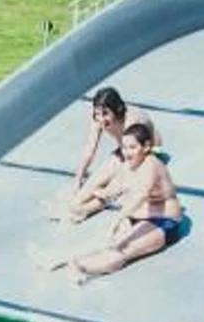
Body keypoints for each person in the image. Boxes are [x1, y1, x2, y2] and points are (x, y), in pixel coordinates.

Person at [47, 124, 186, 280]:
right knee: (108, 242)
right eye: (124, 147)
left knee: (122, 251)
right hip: (137, 215)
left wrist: (115, 221)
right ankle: (62, 259)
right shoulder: (129, 164)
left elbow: (140, 196)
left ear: (146, 146)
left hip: (163, 221)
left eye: (132, 147)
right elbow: (113, 189)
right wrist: (84, 199)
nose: (127, 152)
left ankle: (80, 267)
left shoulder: (152, 165)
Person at [55, 86, 160, 217]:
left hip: (147, 154)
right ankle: (86, 205)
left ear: (117, 110)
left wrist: (112, 189)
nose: (101, 119)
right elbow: (90, 149)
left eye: (105, 113)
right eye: (97, 114)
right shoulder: (98, 119)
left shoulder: (131, 122)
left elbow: (136, 158)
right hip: (124, 151)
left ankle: (94, 206)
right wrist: (78, 179)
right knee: (78, 200)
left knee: (115, 185)